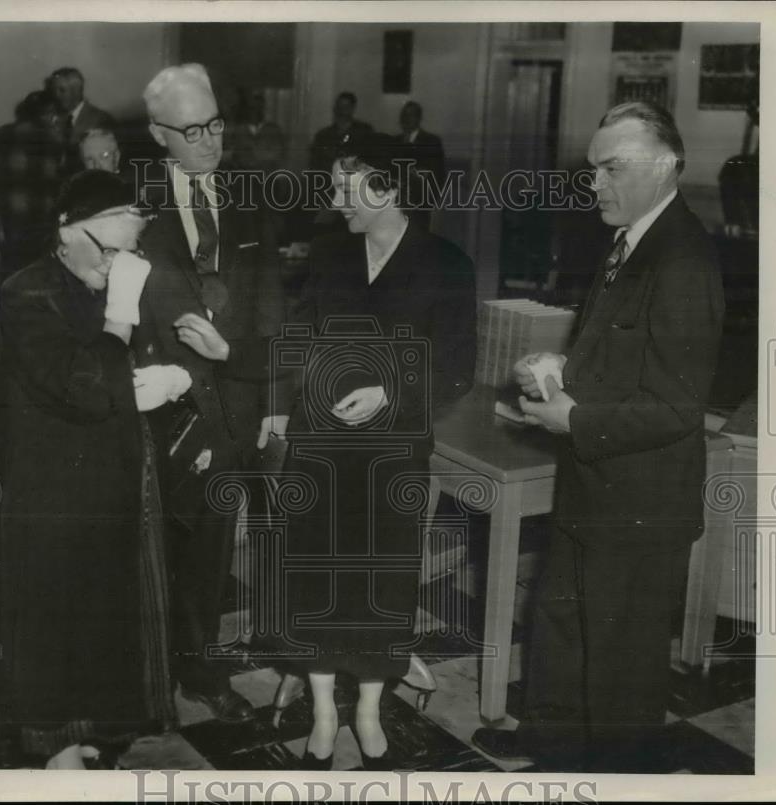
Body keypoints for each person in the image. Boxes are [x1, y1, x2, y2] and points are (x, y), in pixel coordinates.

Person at [472, 102, 725, 772]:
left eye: (612, 168)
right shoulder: (629, 242)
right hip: (597, 484)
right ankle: (549, 744)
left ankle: (612, 776)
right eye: (593, 169)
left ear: (666, 165)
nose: (596, 183)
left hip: (642, 502)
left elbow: (676, 405)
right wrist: (560, 366)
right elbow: (620, 356)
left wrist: (572, 419)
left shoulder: (683, 261)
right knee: (562, 625)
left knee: (619, 669)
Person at [271, 133, 476, 770]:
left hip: (393, 450)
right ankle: (326, 709)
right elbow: (299, 335)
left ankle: (368, 706)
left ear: (386, 188)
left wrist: (389, 391)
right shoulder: (332, 254)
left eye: (345, 189)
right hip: (321, 443)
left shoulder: (447, 264)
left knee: (381, 580)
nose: (334, 202)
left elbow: (455, 368)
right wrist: (281, 401)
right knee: (319, 574)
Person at [0, 170, 190, 768]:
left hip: (118, 478)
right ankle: (56, 748)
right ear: (63, 228)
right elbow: (82, 388)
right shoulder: (27, 292)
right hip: (54, 490)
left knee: (110, 614)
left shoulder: (102, 277)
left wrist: (172, 378)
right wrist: (122, 320)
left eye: (129, 250)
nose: (117, 263)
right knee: (60, 613)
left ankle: (97, 737)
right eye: (106, 247)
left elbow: (133, 368)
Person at [133, 63, 284, 724]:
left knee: (211, 550)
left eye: (215, 124)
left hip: (235, 407)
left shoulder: (250, 199)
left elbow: (270, 307)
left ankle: (196, 667)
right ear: (157, 134)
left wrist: (274, 397)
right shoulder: (133, 208)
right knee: (147, 547)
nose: (208, 140)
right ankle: (141, 682)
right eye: (190, 129)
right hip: (157, 406)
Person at [0, 89, 67, 276]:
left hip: (8, 229)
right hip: (45, 231)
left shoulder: (0, 136)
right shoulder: (56, 143)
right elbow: (63, 192)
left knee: (10, 284)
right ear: (51, 115)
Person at [48, 67, 116, 168]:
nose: (56, 95)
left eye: (62, 90)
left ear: (76, 91)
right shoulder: (54, 120)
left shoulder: (100, 119)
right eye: (54, 90)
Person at [395, 100, 446, 229]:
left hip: (419, 205)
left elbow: (437, 174)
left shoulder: (431, 142)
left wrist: (429, 202)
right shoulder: (394, 141)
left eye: (411, 115)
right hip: (395, 205)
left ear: (419, 118)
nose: (406, 119)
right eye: (404, 115)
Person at [308, 91, 374, 174]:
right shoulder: (323, 136)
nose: (342, 110)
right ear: (335, 108)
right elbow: (315, 165)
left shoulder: (364, 132)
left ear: (353, 108)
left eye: (346, 106)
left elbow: (371, 160)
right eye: (340, 106)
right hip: (328, 181)